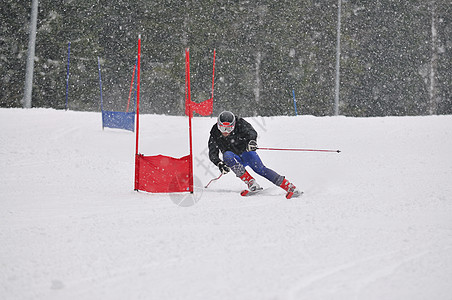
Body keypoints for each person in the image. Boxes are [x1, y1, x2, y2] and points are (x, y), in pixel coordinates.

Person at [208, 111, 302, 198]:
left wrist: (252, 142)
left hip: (246, 153)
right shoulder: (215, 132)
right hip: (234, 159)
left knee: (260, 169)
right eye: (222, 128)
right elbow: (212, 153)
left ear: (234, 125)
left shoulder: (240, 123)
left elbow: (251, 132)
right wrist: (219, 164)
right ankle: (251, 182)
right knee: (227, 155)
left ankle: (288, 186)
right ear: (218, 125)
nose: (225, 132)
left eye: (229, 129)